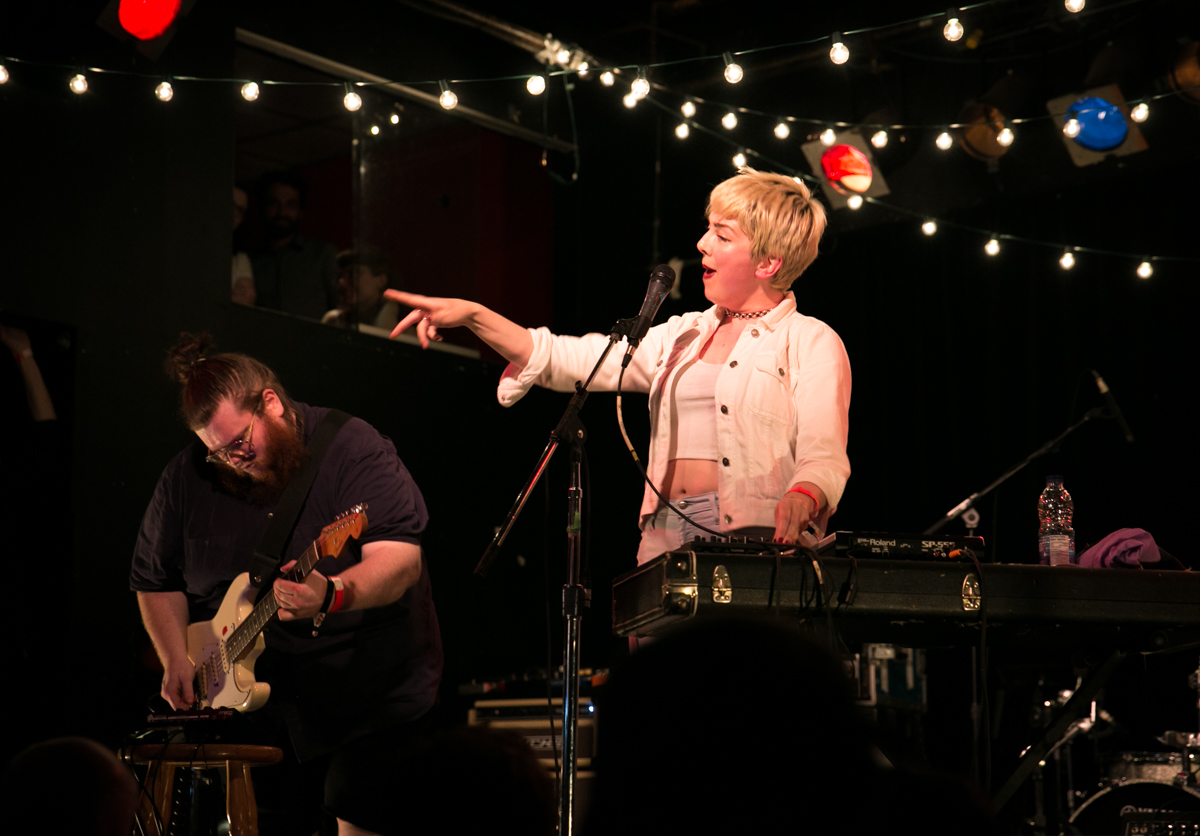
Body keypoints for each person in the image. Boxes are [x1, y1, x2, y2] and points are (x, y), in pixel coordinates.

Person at [386, 168, 850, 564]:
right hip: (665, 533)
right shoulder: (681, 334)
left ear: (768, 263)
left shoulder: (809, 341)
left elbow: (824, 451)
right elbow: (569, 358)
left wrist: (805, 492)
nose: (702, 243)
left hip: (758, 539)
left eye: (722, 235)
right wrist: (474, 315)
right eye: (708, 228)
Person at [130, 333, 442, 836]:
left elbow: (401, 561)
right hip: (257, 706)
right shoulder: (185, 477)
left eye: (239, 443)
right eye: (218, 454)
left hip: (367, 698)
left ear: (271, 403)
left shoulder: (353, 447)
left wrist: (333, 594)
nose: (233, 461)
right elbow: (153, 579)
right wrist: (173, 660)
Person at [252, 170, 339, 320]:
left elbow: (340, 307)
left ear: (301, 211)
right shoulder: (250, 259)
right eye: (274, 203)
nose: (282, 212)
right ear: (262, 206)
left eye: (290, 204)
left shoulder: (322, 254)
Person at [322, 246, 404, 334]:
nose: (341, 282)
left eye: (353, 274)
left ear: (381, 280)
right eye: (340, 276)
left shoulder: (407, 331)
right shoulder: (334, 320)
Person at [232, 185, 256, 306]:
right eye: (230, 205)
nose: (233, 214)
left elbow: (244, 300)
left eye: (240, 211)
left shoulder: (240, 259)